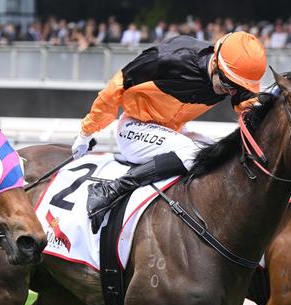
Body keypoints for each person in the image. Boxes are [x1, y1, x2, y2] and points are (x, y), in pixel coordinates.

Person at [71, 31, 267, 232]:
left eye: (237, 88)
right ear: (216, 62)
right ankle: (111, 190)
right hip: (134, 128)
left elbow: (248, 107)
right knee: (192, 153)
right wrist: (86, 133)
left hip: (173, 130)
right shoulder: (169, 60)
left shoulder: (234, 78)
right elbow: (113, 91)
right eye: (228, 85)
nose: (231, 92)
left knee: (219, 153)